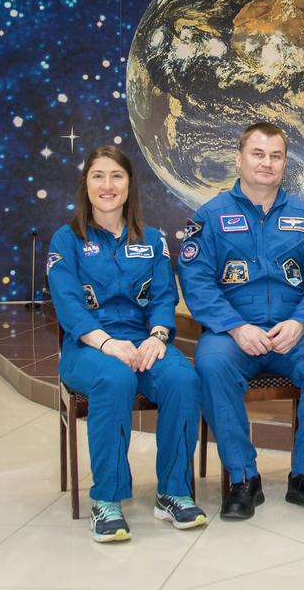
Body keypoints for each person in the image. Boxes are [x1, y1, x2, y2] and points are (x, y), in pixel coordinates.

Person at [178, 122, 304, 518]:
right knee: (211, 363)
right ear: (239, 159)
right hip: (233, 332)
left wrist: (302, 322)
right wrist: (236, 326)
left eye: (275, 156)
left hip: (294, 333)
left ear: (285, 163)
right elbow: (196, 280)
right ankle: (243, 478)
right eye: (258, 154)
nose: (266, 163)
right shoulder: (210, 216)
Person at [47, 145, 207, 543]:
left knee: (183, 379)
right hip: (88, 348)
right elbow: (68, 306)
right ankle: (107, 498)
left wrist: (157, 337)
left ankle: (173, 491)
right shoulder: (66, 240)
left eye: (116, 176)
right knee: (115, 379)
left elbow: (164, 298)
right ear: (85, 184)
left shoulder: (152, 240)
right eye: (98, 176)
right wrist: (107, 345)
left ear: (130, 185)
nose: (107, 185)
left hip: (144, 341)